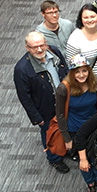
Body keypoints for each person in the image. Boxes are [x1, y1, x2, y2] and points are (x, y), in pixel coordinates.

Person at [14, 31, 69, 173]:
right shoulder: (22, 70)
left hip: (64, 103)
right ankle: (54, 159)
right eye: (34, 47)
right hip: (45, 110)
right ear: (27, 48)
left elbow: (65, 70)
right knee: (50, 135)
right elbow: (24, 98)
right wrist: (37, 118)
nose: (39, 50)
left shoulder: (54, 51)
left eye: (41, 45)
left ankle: (66, 149)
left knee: (65, 128)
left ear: (46, 44)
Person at [55, 54, 97, 192]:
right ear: (71, 73)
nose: (81, 75)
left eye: (84, 70)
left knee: (96, 155)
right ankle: (91, 183)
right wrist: (66, 138)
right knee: (84, 159)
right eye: (77, 71)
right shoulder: (64, 89)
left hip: (94, 127)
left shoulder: (96, 83)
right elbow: (60, 115)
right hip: (75, 129)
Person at [66, 4, 97, 86]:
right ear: (81, 19)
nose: (90, 20)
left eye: (93, 16)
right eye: (86, 18)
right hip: (89, 84)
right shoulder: (75, 38)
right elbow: (72, 65)